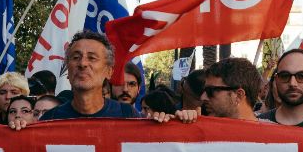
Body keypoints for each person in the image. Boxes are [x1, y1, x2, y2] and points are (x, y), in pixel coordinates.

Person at [18, 32, 196, 127]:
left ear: (109, 71)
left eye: (92, 58)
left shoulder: (128, 116)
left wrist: (176, 124)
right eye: (76, 57)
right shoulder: (50, 120)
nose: (83, 64)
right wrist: (14, 133)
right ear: (68, 68)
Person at [199, 57, 266, 122]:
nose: (203, 97)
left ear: (238, 95)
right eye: (204, 90)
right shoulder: (204, 127)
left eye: (210, 91)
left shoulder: (270, 129)